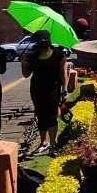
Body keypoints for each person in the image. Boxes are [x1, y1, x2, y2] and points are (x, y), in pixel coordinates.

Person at [21, 30, 68, 158]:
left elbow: (64, 74)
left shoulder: (59, 56)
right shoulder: (33, 56)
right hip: (37, 89)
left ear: (49, 40)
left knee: (51, 116)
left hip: (53, 89)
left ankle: (53, 145)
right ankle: (43, 143)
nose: (43, 42)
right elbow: (26, 74)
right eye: (40, 40)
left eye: (45, 39)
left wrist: (65, 90)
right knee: (41, 116)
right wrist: (24, 64)